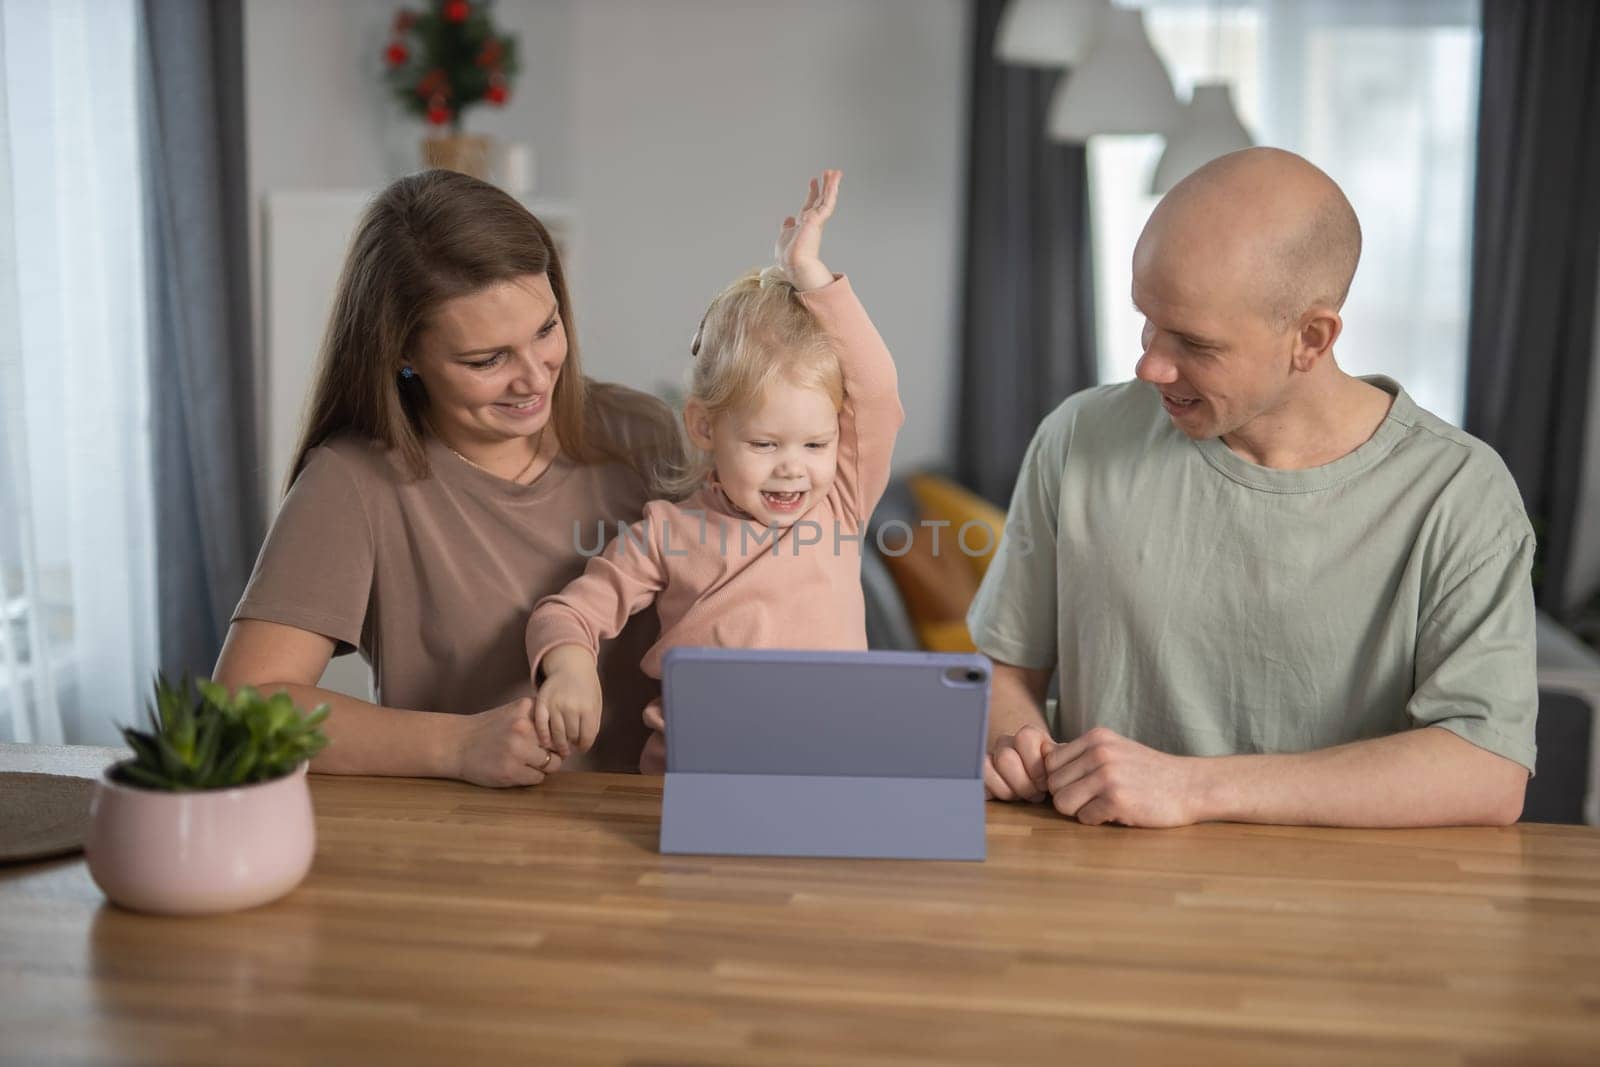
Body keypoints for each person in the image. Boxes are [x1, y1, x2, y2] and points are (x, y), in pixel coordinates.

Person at [970, 147, 1536, 828]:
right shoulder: (1079, 438)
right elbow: (1004, 672)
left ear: (1312, 337)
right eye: (1147, 319)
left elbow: (1487, 770)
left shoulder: (1458, 493)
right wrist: (1013, 740)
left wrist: (1193, 789)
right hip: (1101, 896)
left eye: (1195, 344)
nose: (1149, 364)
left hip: (1351, 912)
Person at [214, 169, 681, 787]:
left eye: (545, 329)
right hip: (468, 843)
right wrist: (458, 745)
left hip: (656, 826)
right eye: (487, 360)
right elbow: (240, 713)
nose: (535, 379)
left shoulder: (641, 435)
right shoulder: (354, 482)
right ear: (404, 357)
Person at [525, 170, 905, 772]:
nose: (793, 470)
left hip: (835, 773)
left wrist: (810, 273)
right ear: (704, 428)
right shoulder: (665, 534)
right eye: (764, 444)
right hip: (695, 778)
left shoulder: (841, 503)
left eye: (815, 443)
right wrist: (569, 664)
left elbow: (878, 392)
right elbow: (568, 612)